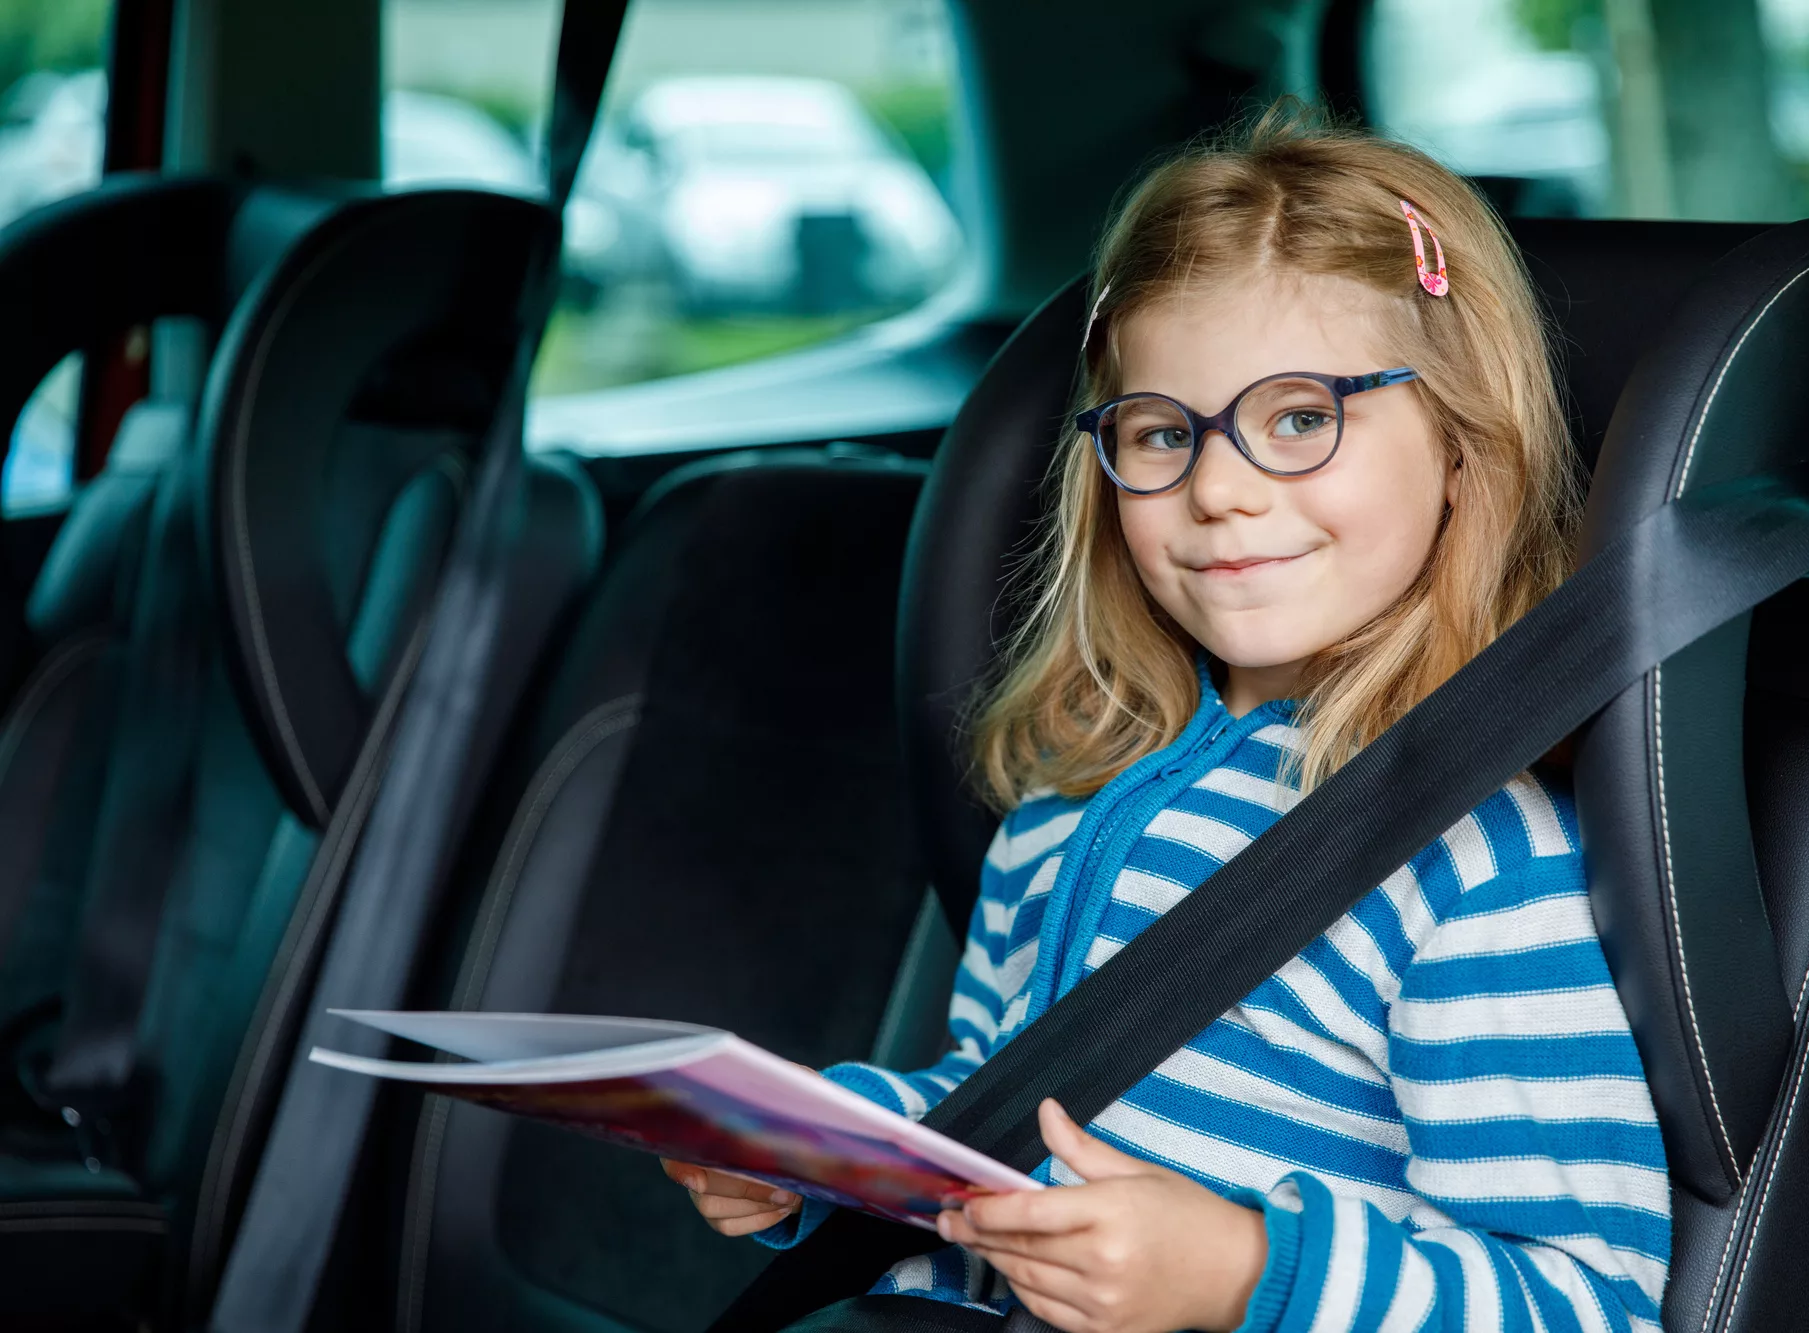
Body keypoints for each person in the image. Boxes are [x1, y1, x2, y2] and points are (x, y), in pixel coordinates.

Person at [666, 105, 1669, 1333]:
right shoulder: (1067, 799)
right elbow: (999, 1122)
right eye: (1159, 433)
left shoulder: (1470, 863)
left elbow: (1587, 1303)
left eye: (1301, 417)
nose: (1217, 489)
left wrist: (1243, 1272)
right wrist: (828, 1151)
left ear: (1462, 446)